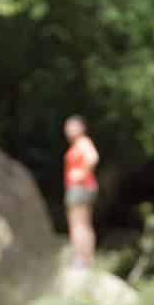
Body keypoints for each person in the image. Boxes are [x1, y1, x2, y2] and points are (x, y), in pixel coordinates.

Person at [62, 115, 100, 269]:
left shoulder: (83, 142)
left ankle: (80, 259)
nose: (69, 129)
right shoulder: (78, 144)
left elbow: (92, 158)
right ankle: (87, 258)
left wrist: (81, 174)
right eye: (67, 126)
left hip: (79, 187)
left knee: (77, 224)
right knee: (85, 224)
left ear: (82, 128)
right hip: (86, 186)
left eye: (72, 126)